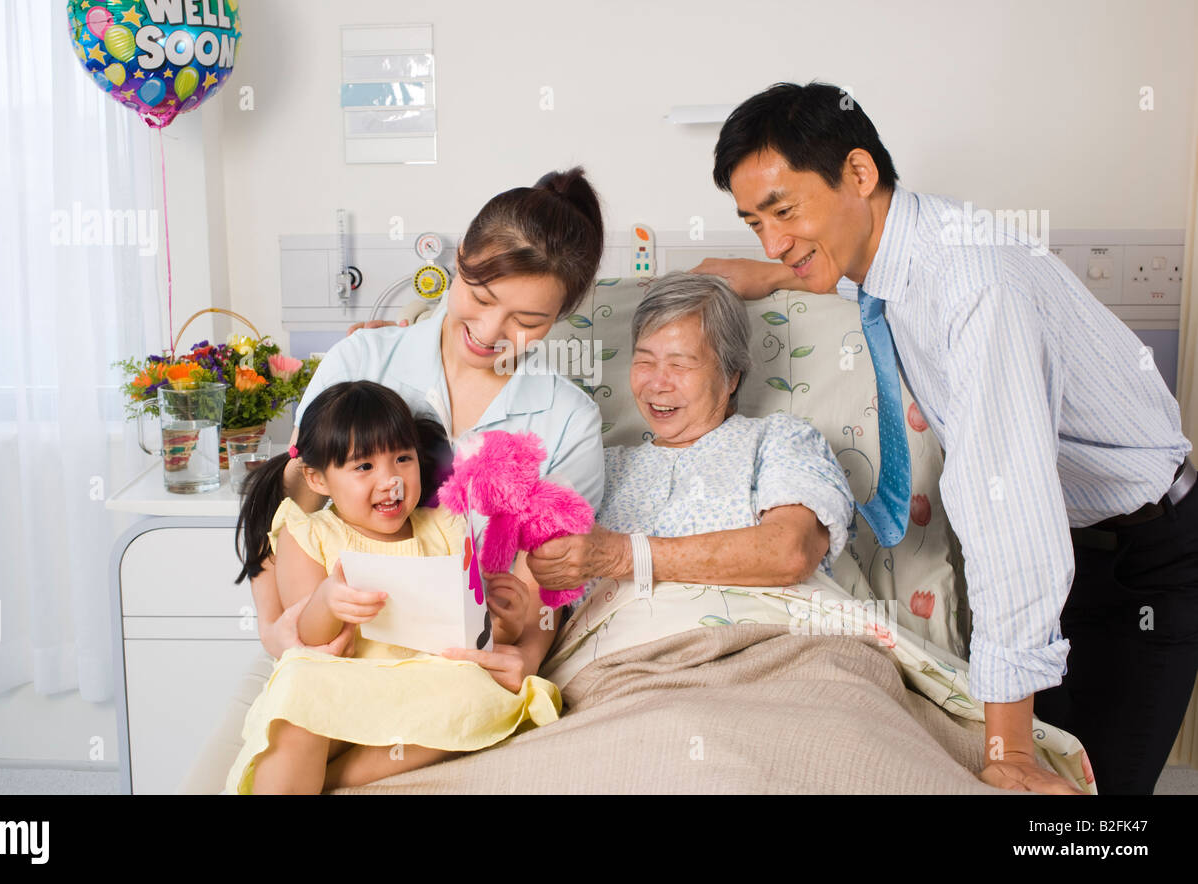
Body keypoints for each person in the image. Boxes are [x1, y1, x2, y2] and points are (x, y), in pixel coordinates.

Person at [690, 80, 1195, 795]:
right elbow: (871, 286)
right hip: (1072, 550)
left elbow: (1011, 516)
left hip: (1143, 556)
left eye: (784, 211)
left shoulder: (974, 291)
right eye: (753, 224)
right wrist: (774, 274)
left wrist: (1009, 750)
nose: (773, 239)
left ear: (859, 174)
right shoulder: (899, 251)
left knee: (1084, 811)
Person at [176, 167, 607, 792]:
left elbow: (550, 576)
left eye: (527, 321)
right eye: (481, 298)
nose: (491, 334)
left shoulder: (568, 418)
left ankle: (336, 777)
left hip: (450, 663)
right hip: (332, 644)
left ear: (560, 315)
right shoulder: (362, 361)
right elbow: (290, 506)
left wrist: (526, 657)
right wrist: (277, 627)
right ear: (459, 261)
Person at [225, 381, 558, 794]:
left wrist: (503, 617)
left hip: (426, 688)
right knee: (298, 687)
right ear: (318, 478)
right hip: (348, 687)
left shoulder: (445, 528)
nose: (390, 481)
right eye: (364, 467)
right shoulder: (310, 534)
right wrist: (327, 601)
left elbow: (476, 636)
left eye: (403, 459)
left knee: (473, 692)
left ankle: (328, 780)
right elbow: (309, 641)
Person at [526, 272, 853, 629]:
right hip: (622, 668)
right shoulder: (599, 465)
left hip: (768, 647)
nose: (657, 384)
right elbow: (544, 597)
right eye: (645, 361)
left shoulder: (781, 440)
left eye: (680, 364)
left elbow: (791, 551)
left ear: (733, 376)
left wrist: (624, 555)